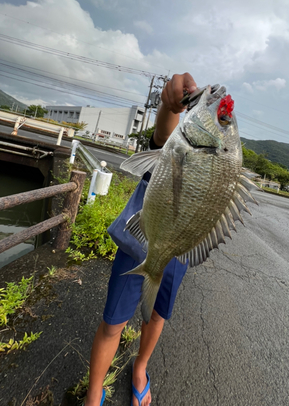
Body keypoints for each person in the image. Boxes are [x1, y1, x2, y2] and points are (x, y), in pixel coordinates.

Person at [85, 73, 197, 406]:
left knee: (157, 315)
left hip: (179, 250)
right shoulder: (169, 155)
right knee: (112, 323)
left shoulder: (213, 162)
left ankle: (140, 367)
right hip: (138, 247)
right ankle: (94, 393)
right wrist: (169, 104)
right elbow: (164, 134)